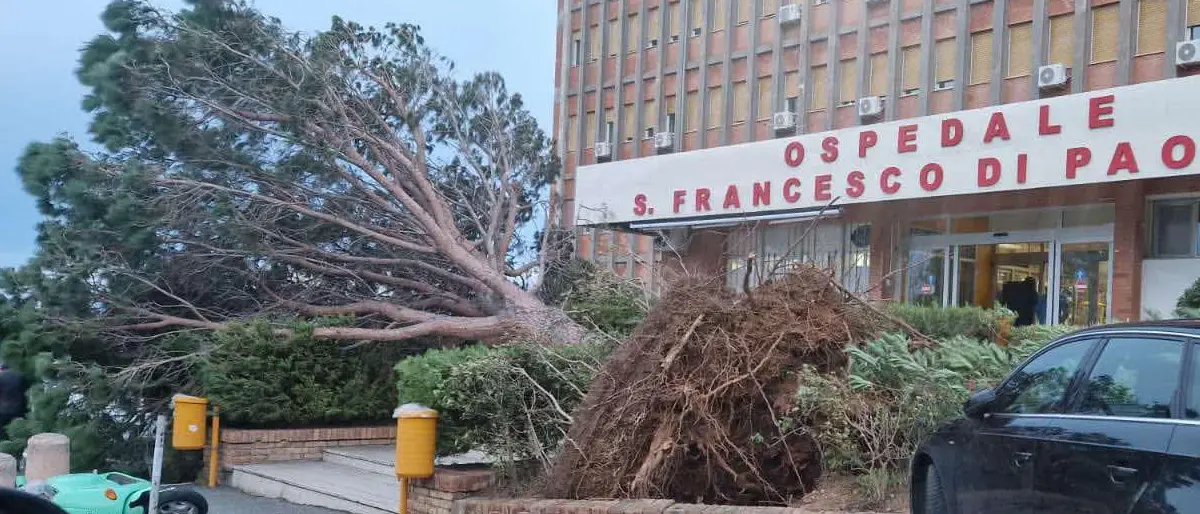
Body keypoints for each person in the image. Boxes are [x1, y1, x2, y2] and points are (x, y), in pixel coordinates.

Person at [0, 365, 27, 440]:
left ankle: (4, 443)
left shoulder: (1, 376)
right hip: (18, 407)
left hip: (3, 408)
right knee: (17, 427)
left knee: (2, 429)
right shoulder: (20, 375)